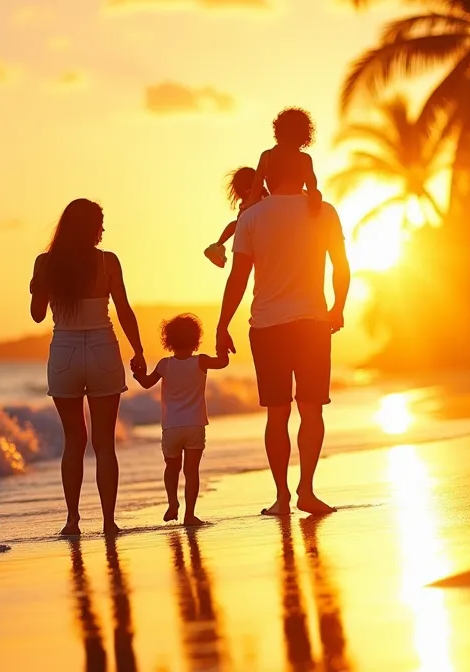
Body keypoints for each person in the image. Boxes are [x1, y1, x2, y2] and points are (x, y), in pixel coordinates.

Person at [214, 185, 350, 516]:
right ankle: (305, 490)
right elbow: (341, 266)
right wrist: (338, 308)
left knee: (278, 414)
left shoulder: (251, 217)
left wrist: (222, 325)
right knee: (311, 410)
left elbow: (239, 277)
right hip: (312, 324)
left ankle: (283, 497)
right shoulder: (323, 210)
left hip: (268, 327)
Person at [31, 199, 146, 536]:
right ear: (92, 227)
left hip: (64, 352)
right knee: (104, 443)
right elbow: (123, 308)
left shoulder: (46, 263)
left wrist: (35, 287)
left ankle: (72, 520)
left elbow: (38, 314)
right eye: (101, 223)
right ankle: (109, 521)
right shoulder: (108, 262)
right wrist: (138, 350)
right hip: (102, 350)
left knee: (74, 441)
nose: (103, 230)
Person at [131, 314, 229, 526]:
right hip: (195, 424)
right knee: (191, 471)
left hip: (171, 427)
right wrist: (224, 348)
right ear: (196, 339)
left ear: (169, 340)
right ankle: (189, 515)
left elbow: (146, 383)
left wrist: (137, 373)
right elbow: (222, 363)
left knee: (171, 467)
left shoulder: (164, 365)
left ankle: (172, 502)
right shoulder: (201, 361)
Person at [244, 108, 322, 213]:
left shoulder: (267, 156)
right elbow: (312, 189)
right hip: (296, 208)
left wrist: (249, 207)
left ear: (279, 130)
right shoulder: (304, 159)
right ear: (304, 135)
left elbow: (255, 191)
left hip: (273, 207)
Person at [204, 167, 266, 268]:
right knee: (238, 224)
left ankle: (217, 246)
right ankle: (217, 246)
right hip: (256, 229)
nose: (262, 183)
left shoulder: (258, 195)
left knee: (238, 223)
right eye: (260, 181)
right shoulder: (259, 195)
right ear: (248, 189)